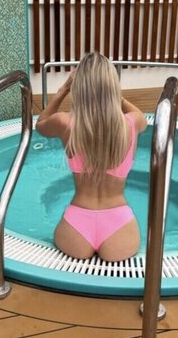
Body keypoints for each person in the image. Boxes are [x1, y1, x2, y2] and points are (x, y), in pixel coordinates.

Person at [36, 52, 147, 262]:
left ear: (79, 87)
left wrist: (63, 89)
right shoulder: (132, 123)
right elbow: (143, 117)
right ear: (113, 87)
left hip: (75, 226)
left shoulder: (66, 123)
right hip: (121, 227)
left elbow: (40, 125)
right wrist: (116, 97)